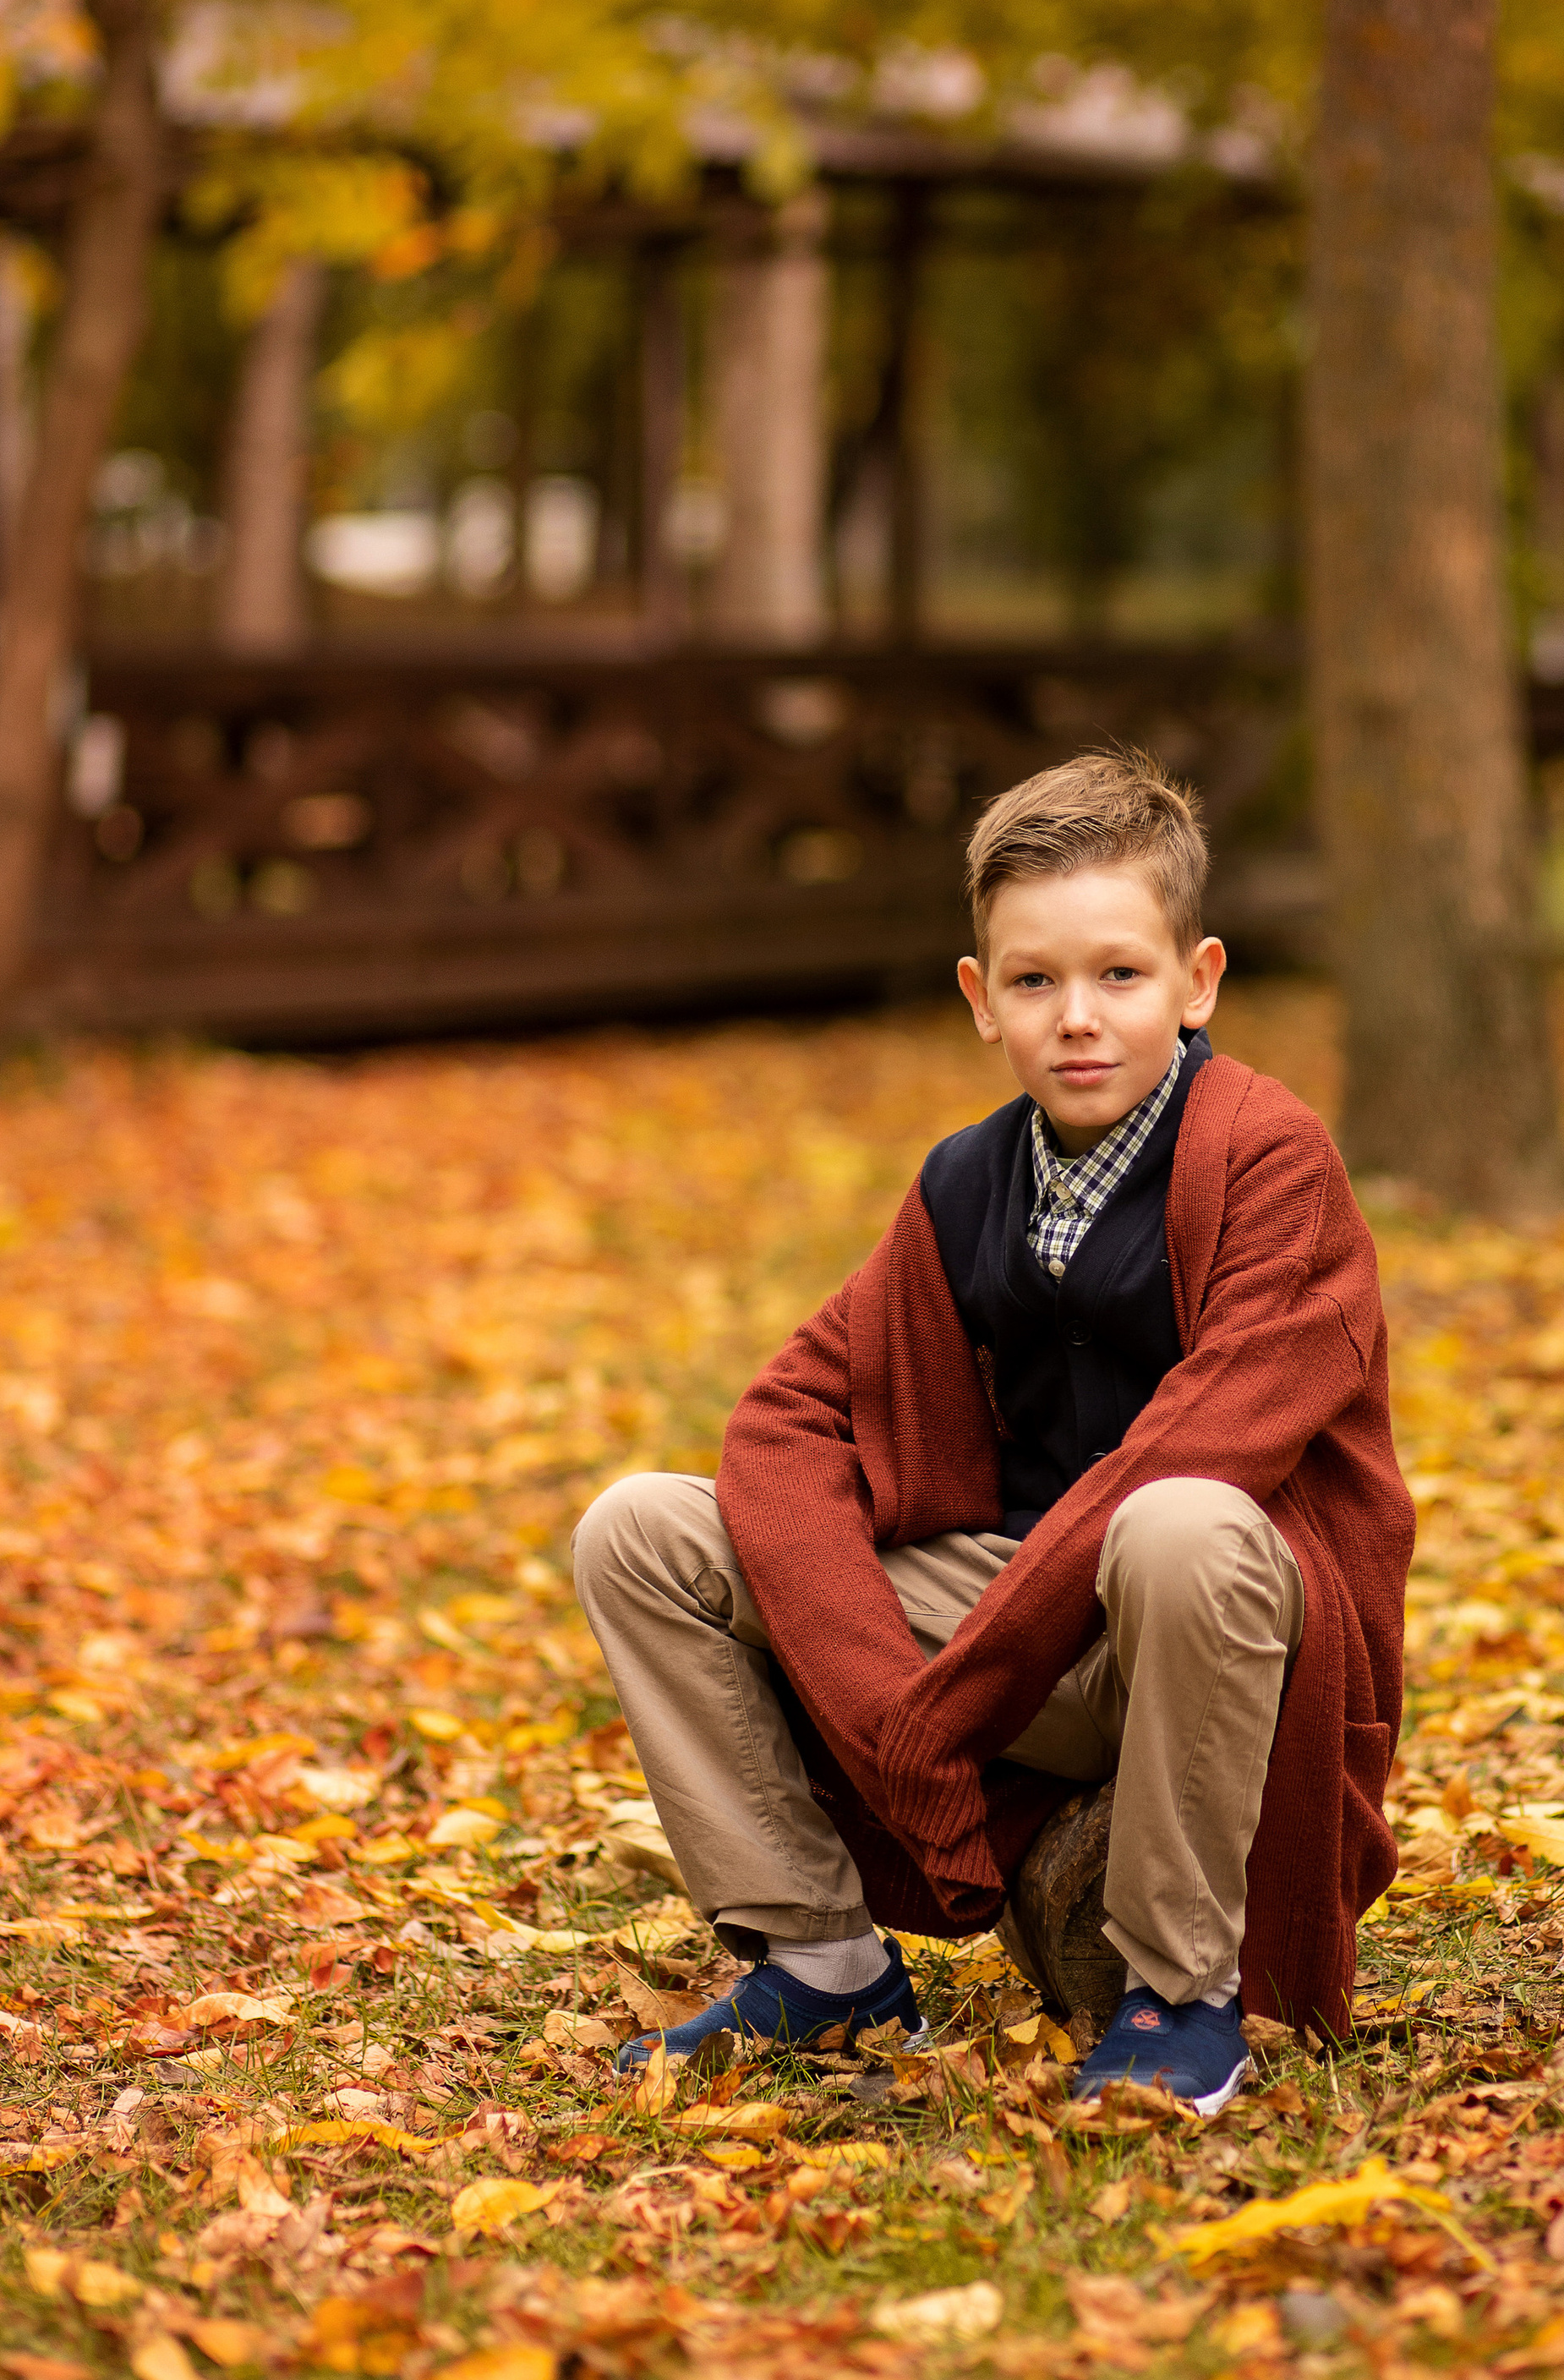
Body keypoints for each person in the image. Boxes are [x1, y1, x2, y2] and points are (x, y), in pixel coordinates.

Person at [572, 748, 1413, 2111]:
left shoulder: (1269, 1165)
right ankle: (823, 1962)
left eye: (1120, 976)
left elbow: (1194, 1450)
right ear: (981, 999)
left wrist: (948, 1710)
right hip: (1027, 1631)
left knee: (1179, 1518)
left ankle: (1182, 1996)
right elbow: (790, 1417)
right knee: (644, 1528)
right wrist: (881, 1705)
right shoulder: (972, 1182)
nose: (1078, 1018)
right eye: (1034, 981)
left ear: (1199, 980)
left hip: (1218, 1636)